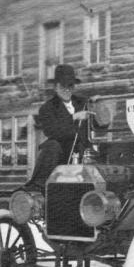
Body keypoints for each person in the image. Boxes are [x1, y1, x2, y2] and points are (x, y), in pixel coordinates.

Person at [24, 64, 95, 192]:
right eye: (63, 86)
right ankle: (40, 187)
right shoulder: (47, 108)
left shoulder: (83, 102)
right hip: (60, 160)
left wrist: (98, 107)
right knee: (51, 145)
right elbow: (53, 131)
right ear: (55, 87)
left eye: (70, 86)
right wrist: (73, 117)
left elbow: (100, 123)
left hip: (84, 157)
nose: (67, 90)